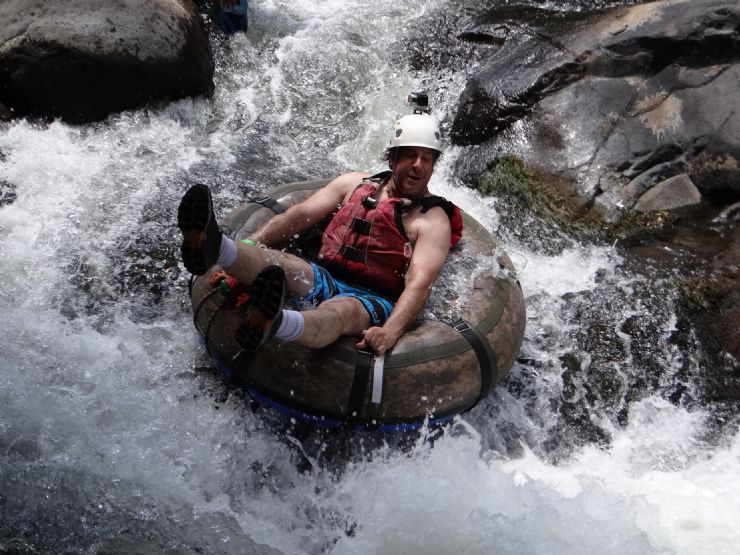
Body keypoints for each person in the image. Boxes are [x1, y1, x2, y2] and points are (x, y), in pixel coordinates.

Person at [177, 113, 463, 356]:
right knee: (279, 263)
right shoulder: (355, 183)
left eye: (427, 159)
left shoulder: (433, 220)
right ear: (393, 157)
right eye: (411, 155)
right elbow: (300, 216)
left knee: (341, 313)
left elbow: (419, 284)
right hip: (324, 274)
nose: (418, 165)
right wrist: (253, 241)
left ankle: (274, 323)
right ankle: (215, 246)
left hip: (373, 299)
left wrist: (389, 332)